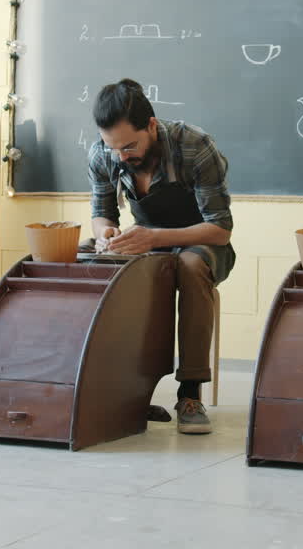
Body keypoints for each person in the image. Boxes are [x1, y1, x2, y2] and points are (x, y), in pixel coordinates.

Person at [86, 79, 235, 435]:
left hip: (204, 243)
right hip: (146, 241)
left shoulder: (195, 146)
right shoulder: (103, 154)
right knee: (88, 262)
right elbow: (101, 214)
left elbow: (220, 228)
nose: (121, 156)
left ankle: (190, 394)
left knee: (190, 264)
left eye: (130, 146)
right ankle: (124, 392)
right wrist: (106, 235)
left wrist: (154, 237)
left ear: (151, 126)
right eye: (114, 148)